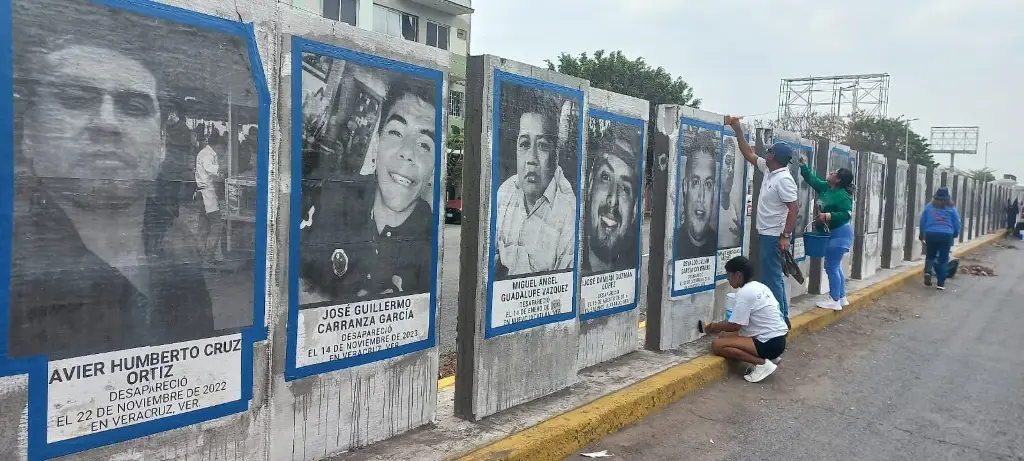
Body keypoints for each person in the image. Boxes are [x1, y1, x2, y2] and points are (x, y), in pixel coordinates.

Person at [9, 44, 214, 359]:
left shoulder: (178, 246)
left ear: (161, 147)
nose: (107, 123)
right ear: (29, 135)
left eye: (133, 106)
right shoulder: (14, 262)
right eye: (76, 99)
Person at [299, 76, 436, 303]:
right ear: (376, 144)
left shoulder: (431, 238)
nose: (408, 152)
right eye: (396, 133)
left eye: (424, 145)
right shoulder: (334, 198)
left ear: (433, 168)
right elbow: (292, 275)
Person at [494, 87, 576, 277]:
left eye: (542, 146)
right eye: (524, 144)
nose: (532, 158)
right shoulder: (505, 192)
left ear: (555, 154)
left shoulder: (568, 210)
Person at [727, 116, 798, 327]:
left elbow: (793, 210)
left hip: (774, 235)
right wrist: (738, 129)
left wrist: (785, 236)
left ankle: (780, 318)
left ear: (774, 156)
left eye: (769, 151)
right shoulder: (769, 170)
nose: (765, 153)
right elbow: (747, 153)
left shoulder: (783, 179)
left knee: (773, 278)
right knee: (771, 276)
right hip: (766, 233)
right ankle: (780, 316)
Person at [706, 256, 789, 383]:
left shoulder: (744, 293)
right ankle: (771, 358)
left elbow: (735, 326)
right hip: (779, 339)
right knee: (724, 336)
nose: (728, 279)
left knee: (718, 345)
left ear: (738, 274)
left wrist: (714, 327)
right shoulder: (759, 286)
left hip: (769, 343)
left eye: (729, 275)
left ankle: (761, 363)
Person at [799, 157, 855, 310]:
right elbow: (813, 180)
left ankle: (834, 300)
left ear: (837, 180)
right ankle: (841, 298)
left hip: (840, 233)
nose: (830, 172)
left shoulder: (843, 196)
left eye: (834, 173)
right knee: (835, 267)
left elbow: (846, 214)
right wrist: (803, 166)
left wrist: (827, 216)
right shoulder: (826, 188)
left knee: (831, 267)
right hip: (833, 233)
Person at [583, 124, 640, 273]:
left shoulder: (630, 271)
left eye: (625, 188)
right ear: (590, 185)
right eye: (606, 178)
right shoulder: (564, 259)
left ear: (634, 209)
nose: (613, 200)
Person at [676, 126, 719, 259]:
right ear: (685, 187)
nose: (701, 197)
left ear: (714, 191)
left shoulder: (717, 241)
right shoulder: (674, 243)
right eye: (695, 182)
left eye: (707, 184)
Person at [919, 187, 961, 290]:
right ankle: (940, 284)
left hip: (931, 233)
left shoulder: (929, 206)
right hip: (946, 235)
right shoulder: (952, 208)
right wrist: (955, 233)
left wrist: (921, 233)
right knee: (943, 259)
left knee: (930, 256)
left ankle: (928, 272)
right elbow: (957, 222)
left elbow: (922, 220)